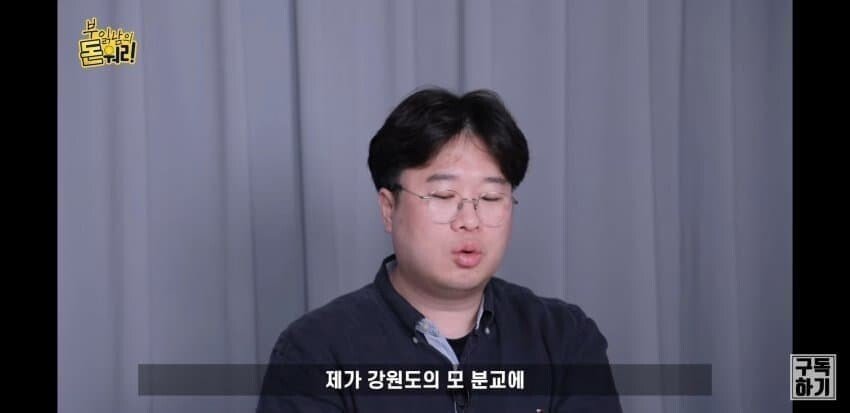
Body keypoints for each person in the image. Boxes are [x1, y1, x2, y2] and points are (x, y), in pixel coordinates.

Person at [257, 87, 622, 412]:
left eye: (490, 197)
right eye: (445, 196)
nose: (470, 220)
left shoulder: (563, 339)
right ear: (389, 208)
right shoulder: (316, 351)